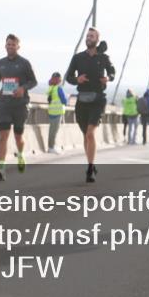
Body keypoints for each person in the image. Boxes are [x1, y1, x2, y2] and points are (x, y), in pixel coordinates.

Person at [65, 27, 116, 183]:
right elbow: (68, 76)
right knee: (85, 135)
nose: (88, 38)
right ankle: (91, 164)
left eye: (91, 36)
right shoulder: (78, 58)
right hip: (82, 100)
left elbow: (112, 71)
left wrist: (108, 77)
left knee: (90, 133)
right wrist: (76, 79)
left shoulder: (104, 58)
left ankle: (89, 168)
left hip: (98, 99)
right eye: (87, 36)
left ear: (97, 39)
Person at [0, 34, 38, 180]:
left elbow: (33, 81)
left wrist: (22, 88)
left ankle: (21, 155)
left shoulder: (24, 63)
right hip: (4, 104)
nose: (10, 47)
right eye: (8, 44)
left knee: (18, 136)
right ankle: (1, 169)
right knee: (3, 136)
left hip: (20, 105)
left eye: (13, 45)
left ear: (18, 47)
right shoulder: (0, 63)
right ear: (5, 46)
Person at [46, 72, 68, 154]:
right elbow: (64, 101)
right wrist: (67, 99)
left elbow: (49, 99)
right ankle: (51, 147)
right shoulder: (59, 88)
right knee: (54, 131)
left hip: (51, 111)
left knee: (51, 130)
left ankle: (50, 147)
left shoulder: (51, 88)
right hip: (57, 112)